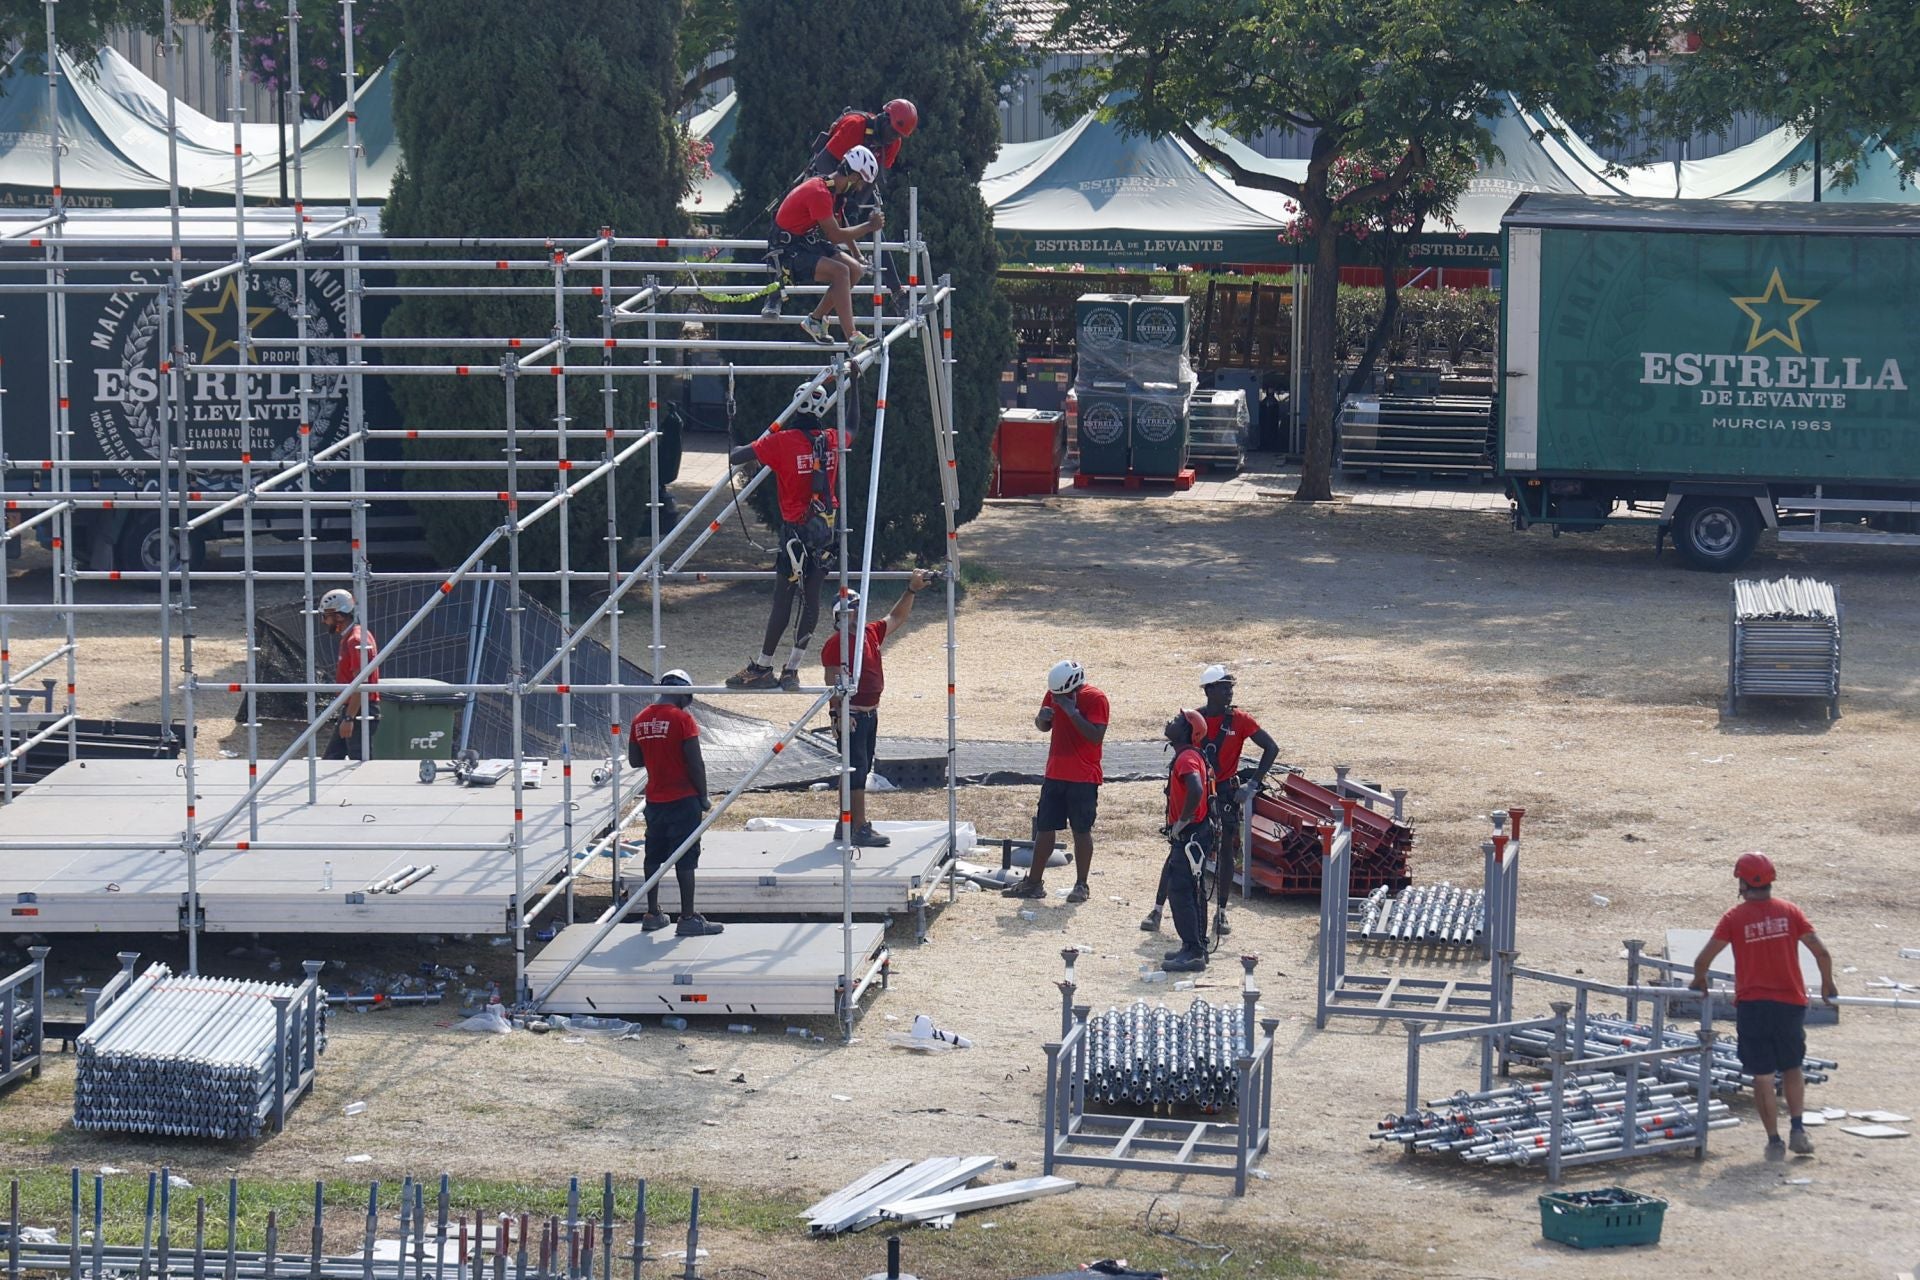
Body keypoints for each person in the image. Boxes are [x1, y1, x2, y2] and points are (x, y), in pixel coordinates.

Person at [1689, 852, 1838, 1161]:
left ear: (1743, 883)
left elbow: (1703, 959)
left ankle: (1774, 1141)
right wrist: (1827, 984)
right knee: (1793, 1067)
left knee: (1763, 1077)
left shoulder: (1734, 918)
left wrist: (1699, 981)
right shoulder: (1790, 912)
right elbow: (1821, 952)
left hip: (1753, 1007)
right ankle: (1798, 1129)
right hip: (1789, 1005)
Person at [1142, 665, 1278, 938]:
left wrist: (1252, 784)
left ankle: (1222, 912)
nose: (1229, 692)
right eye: (1224, 687)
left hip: (1226, 791)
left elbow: (1271, 748)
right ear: (1209, 690)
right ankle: (1157, 908)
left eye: (1230, 687)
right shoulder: (1194, 721)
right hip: (1200, 790)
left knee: (1226, 849)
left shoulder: (1240, 720)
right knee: (1178, 847)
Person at [723, 410, 842, 692]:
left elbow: (736, 456)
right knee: (811, 598)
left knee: (783, 599)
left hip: (795, 531)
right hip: (825, 528)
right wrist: (857, 387)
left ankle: (764, 666)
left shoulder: (782, 441)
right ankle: (792, 670)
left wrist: (762, 433)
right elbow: (853, 425)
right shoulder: (832, 439)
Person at [819, 569, 934, 848]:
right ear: (840, 616)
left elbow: (896, 617)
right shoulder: (836, 644)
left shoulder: (870, 632)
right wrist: (838, 715)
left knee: (861, 767)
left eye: (858, 608)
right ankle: (858, 825)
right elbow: (831, 682)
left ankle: (844, 822)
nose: (856, 613)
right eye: (850, 610)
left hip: (870, 713)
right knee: (855, 771)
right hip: (854, 714)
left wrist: (911, 590)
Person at [1002, 660, 1108, 903]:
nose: (1057, 698)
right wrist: (1041, 718)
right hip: (1055, 774)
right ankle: (1033, 883)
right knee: (1045, 828)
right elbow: (1043, 727)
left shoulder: (1096, 698)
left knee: (1081, 830)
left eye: (1063, 695)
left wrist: (1072, 712)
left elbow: (1096, 736)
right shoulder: (1055, 692)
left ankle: (1081, 885)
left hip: (1083, 777)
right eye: (1055, 695)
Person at [627, 670, 723, 937]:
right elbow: (696, 762)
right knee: (686, 858)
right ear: (683, 693)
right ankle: (688, 917)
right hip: (683, 799)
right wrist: (703, 797)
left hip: (655, 799)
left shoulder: (640, 719)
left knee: (653, 856)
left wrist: (658, 752)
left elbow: (635, 760)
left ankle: (652, 913)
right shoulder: (682, 719)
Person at [766, 145, 884, 349]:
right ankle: (853, 338)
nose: (859, 189)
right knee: (841, 272)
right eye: (861, 183)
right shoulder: (820, 192)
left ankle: (816, 320)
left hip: (802, 242)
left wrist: (857, 255)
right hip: (786, 252)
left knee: (854, 270)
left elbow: (840, 224)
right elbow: (835, 235)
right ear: (854, 176)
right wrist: (870, 226)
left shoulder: (831, 190)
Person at [807, 99, 916, 294]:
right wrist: (840, 194)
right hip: (828, 178)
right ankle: (775, 296)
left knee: (874, 224)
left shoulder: (893, 144)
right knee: (797, 225)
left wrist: (856, 204)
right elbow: (825, 161)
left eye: (898, 135)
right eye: (892, 132)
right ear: (884, 119)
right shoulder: (855, 125)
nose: (892, 138)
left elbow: (873, 178)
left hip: (856, 184)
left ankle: (896, 291)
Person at [1157, 710, 1215, 973]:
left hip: (1191, 834)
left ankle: (1193, 951)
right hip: (1199, 833)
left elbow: (1196, 789)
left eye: (1178, 721)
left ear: (1188, 732)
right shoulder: (1191, 755)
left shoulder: (1187, 758)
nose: (1172, 721)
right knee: (1193, 889)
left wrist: (1182, 820)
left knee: (1180, 889)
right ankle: (1195, 946)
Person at [320, 588, 379, 760]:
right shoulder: (356, 636)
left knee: (359, 763)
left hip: (360, 708)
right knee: (332, 758)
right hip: (356, 707)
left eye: (326, 616)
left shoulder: (355, 640)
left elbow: (362, 683)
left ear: (339, 616)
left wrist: (349, 718)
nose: (324, 622)